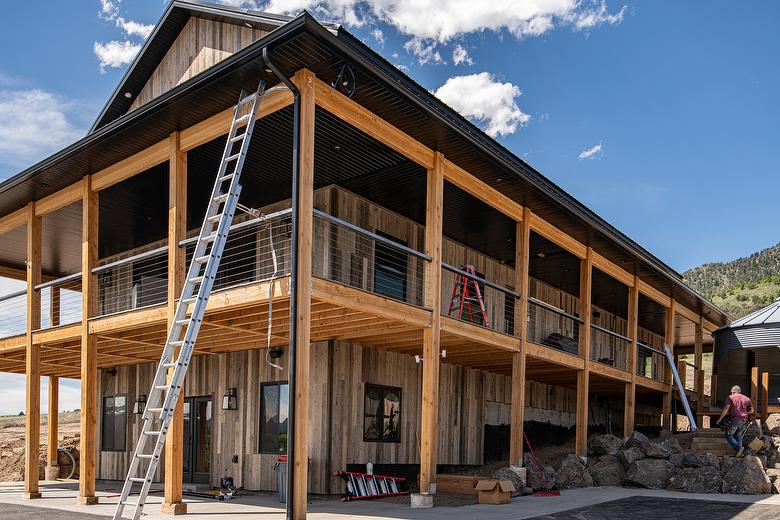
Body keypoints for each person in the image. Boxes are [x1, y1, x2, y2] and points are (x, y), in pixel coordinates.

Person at [715, 385, 754, 456]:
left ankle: (738, 448)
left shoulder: (731, 397)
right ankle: (740, 453)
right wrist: (744, 413)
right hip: (744, 420)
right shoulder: (747, 399)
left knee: (728, 435)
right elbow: (752, 411)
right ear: (740, 391)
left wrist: (720, 419)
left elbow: (726, 409)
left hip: (735, 419)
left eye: (732, 392)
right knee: (738, 436)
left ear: (734, 392)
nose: (731, 394)